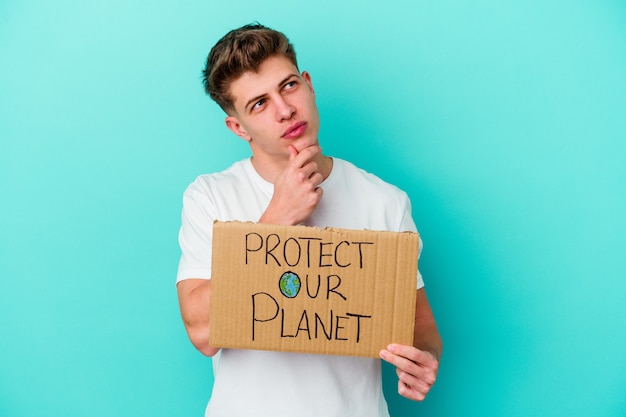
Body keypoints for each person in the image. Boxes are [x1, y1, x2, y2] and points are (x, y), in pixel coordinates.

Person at [176, 23, 442, 417]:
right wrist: (275, 222)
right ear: (238, 127)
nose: (285, 110)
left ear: (308, 84)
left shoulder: (385, 200)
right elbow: (202, 332)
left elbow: (420, 325)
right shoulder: (210, 197)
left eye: (288, 86)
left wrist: (421, 360)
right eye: (259, 104)